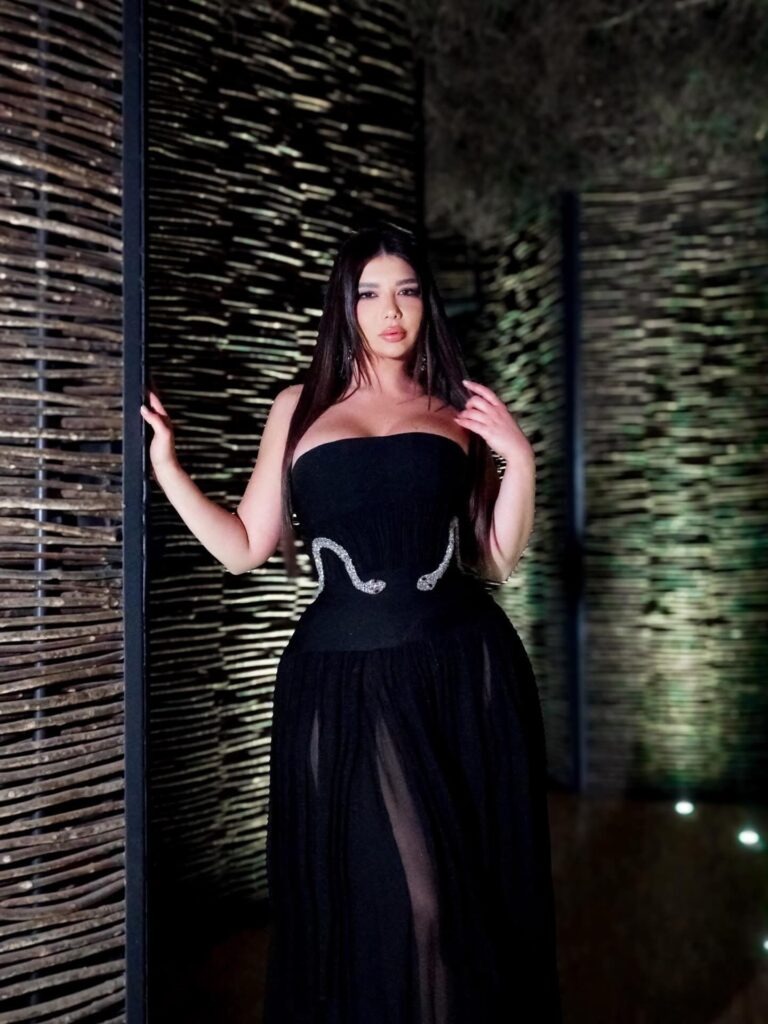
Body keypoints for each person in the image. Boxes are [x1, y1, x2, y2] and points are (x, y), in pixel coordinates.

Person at [140, 221, 563, 1023]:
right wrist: (167, 466)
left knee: (455, 904)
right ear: (344, 304)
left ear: (426, 302)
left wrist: (521, 459)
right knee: (388, 897)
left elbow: (497, 559)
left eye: (406, 291)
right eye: (369, 293)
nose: (390, 311)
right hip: (341, 681)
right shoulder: (298, 407)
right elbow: (243, 547)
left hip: (458, 670)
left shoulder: (456, 405)